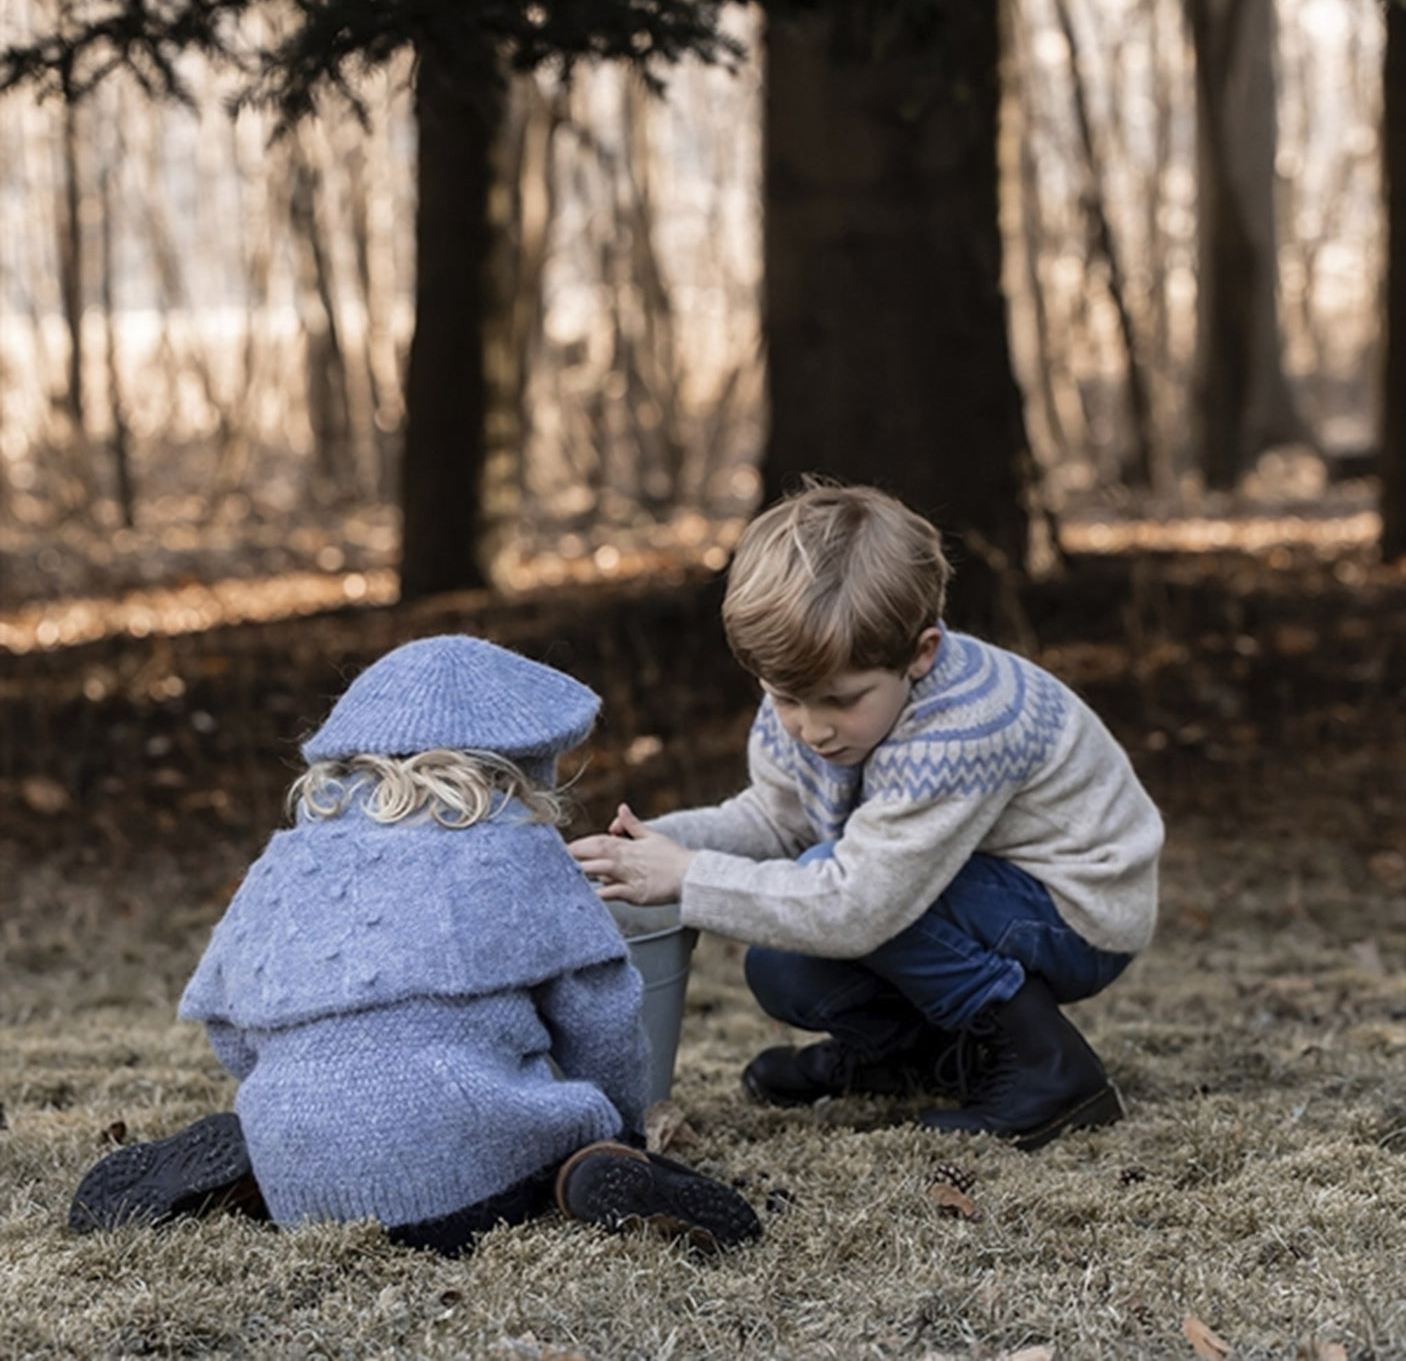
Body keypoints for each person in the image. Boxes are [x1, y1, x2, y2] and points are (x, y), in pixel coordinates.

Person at [69, 636, 761, 1256]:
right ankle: (589, 1170)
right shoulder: (517, 847)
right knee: (552, 1134)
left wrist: (310, 1080)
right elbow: (601, 1022)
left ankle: (278, 1156)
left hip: (297, 1179)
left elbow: (230, 1028)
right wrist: (625, 1127)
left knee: (307, 1122)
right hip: (463, 1186)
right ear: (524, 759)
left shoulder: (288, 858)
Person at [569, 481, 1164, 1151]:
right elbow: (774, 821)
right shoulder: (812, 695)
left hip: (1077, 907)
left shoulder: (963, 728)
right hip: (955, 886)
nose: (812, 730)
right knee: (781, 963)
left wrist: (689, 879)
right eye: (785, 698)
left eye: (838, 701)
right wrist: (652, 847)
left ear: (922, 655)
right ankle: (916, 1059)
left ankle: (1050, 1071)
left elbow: (862, 902)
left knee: (830, 887)